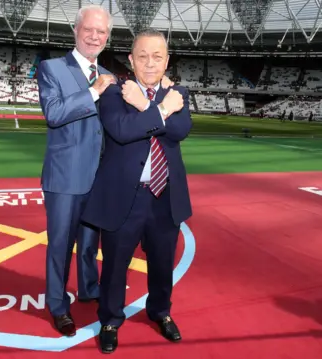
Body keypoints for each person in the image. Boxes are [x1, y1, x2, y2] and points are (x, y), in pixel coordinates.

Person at [81, 28, 192, 354]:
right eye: (142, 55)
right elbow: (122, 130)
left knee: (162, 264)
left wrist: (145, 105)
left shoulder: (178, 93)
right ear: (130, 59)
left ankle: (161, 312)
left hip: (165, 197)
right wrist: (159, 109)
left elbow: (180, 130)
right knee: (115, 265)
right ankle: (110, 320)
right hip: (124, 197)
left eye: (157, 56)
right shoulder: (115, 92)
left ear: (167, 60)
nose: (149, 62)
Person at [36, 4, 116, 337]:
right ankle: (57, 305)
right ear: (76, 30)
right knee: (60, 245)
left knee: (88, 244)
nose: (95, 36)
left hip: (98, 177)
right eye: (89, 29)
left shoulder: (110, 75)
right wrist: (94, 91)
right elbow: (53, 113)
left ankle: (88, 288)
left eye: (102, 32)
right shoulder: (52, 68)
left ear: (107, 37)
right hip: (65, 177)